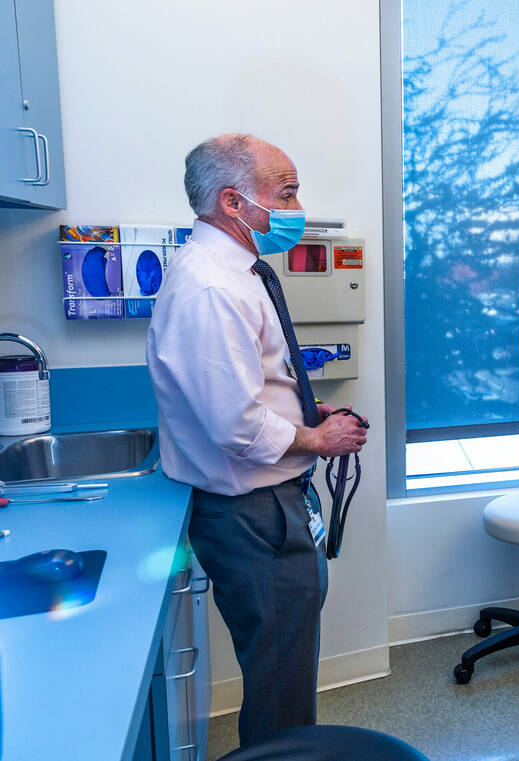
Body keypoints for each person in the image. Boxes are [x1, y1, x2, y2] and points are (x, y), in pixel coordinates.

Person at [147, 134, 368, 746]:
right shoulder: (212, 287)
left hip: (269, 502)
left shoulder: (237, 273)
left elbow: (248, 385)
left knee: (285, 659)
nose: (299, 207)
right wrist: (320, 440)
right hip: (253, 512)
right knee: (279, 673)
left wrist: (306, 408)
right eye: (287, 193)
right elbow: (236, 425)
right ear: (234, 202)